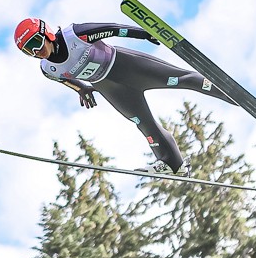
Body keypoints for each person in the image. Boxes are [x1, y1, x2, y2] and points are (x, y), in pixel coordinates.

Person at [13, 17, 238, 175]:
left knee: (183, 79)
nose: (36, 52)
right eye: (28, 51)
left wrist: (144, 33)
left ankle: (233, 94)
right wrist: (82, 89)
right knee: (143, 123)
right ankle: (174, 164)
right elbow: (65, 79)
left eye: (35, 43)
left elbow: (113, 29)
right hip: (111, 88)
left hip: (127, 67)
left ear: (47, 33)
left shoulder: (74, 35)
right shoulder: (48, 69)